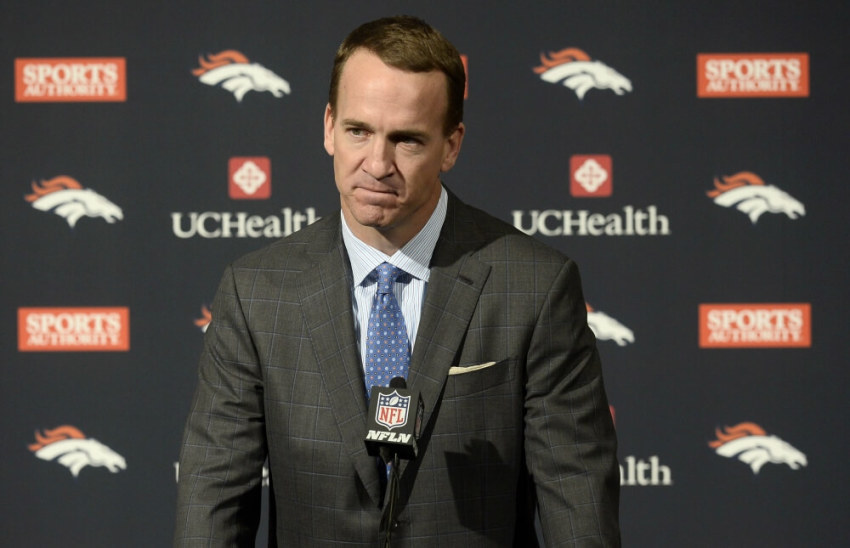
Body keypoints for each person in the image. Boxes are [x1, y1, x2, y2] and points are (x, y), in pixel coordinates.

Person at [175, 15, 620, 547]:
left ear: (451, 146)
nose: (377, 163)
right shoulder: (256, 293)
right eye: (358, 131)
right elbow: (214, 498)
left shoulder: (535, 287)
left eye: (406, 140)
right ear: (327, 127)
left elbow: (577, 501)